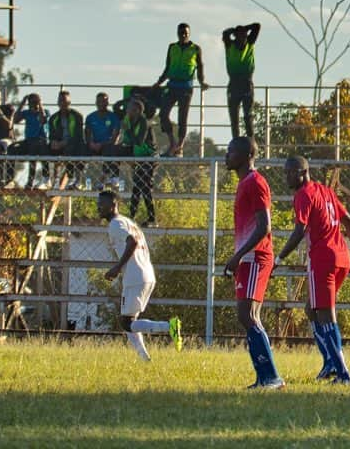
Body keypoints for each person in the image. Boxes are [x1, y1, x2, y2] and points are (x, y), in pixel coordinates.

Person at [277, 155, 350, 385]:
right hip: (341, 257)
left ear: (302, 172)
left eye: (289, 172)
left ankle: (343, 372)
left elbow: (299, 230)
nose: (286, 176)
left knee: (326, 315)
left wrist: (280, 257)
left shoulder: (303, 195)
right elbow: (349, 222)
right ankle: (329, 363)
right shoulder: (325, 191)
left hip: (322, 259)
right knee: (311, 309)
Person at [222, 136, 285, 389]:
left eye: (230, 151)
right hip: (247, 257)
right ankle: (264, 377)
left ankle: (270, 376)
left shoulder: (256, 182)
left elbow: (264, 226)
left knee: (247, 314)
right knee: (249, 315)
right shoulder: (244, 183)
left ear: (247, 154)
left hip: (256, 257)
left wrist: (239, 255)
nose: (226, 155)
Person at [100, 189, 182, 361]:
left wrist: (117, 267)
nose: (98, 207)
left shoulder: (115, 224)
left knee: (127, 323)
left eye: (102, 204)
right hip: (146, 274)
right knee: (129, 322)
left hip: (135, 276)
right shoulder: (128, 222)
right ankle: (145, 359)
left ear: (113, 205)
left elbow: (133, 242)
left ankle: (169, 327)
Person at [154, 22, 209, 156]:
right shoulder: (172, 47)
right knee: (163, 114)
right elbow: (167, 66)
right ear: (177, 33)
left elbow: (200, 67)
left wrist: (202, 82)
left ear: (189, 34)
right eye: (181, 33)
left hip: (186, 87)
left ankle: (179, 146)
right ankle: (173, 142)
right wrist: (159, 82)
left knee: (182, 118)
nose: (183, 35)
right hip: (172, 85)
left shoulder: (195, 48)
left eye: (185, 33)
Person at [106, 98, 157, 225]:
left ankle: (150, 218)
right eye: (128, 109)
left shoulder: (144, 122)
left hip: (147, 156)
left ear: (138, 111)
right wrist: (128, 99)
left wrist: (127, 130)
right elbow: (116, 107)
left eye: (131, 109)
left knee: (142, 187)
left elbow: (139, 141)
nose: (128, 111)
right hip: (135, 153)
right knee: (114, 150)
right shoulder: (128, 119)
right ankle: (114, 177)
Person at [223, 23, 260, 139]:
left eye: (244, 36)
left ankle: (251, 142)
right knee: (234, 117)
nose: (242, 40)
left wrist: (244, 29)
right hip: (233, 83)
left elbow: (257, 26)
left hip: (247, 83)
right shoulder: (230, 45)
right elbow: (225, 33)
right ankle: (236, 141)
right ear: (235, 37)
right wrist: (235, 30)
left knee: (247, 116)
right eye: (239, 37)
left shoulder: (250, 43)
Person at [8, 93, 50, 190]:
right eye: (32, 102)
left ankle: (31, 181)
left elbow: (43, 120)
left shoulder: (45, 112)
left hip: (40, 141)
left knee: (33, 149)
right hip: (28, 141)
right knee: (12, 148)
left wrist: (40, 104)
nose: (35, 105)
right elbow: (15, 119)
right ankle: (10, 179)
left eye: (36, 102)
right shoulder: (27, 113)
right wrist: (22, 103)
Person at [48, 90, 87, 189]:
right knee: (45, 148)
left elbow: (78, 135)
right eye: (60, 101)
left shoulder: (77, 116)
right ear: (57, 102)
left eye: (65, 101)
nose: (63, 103)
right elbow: (52, 135)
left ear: (69, 102)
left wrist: (64, 143)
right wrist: (53, 142)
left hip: (74, 143)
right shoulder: (53, 118)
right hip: (60, 144)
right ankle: (51, 180)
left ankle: (74, 178)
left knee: (73, 148)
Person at [86, 92, 122, 184]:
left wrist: (101, 144)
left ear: (107, 103)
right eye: (99, 101)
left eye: (104, 101)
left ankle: (112, 177)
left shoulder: (113, 117)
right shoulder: (90, 117)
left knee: (111, 149)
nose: (101, 103)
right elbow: (87, 134)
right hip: (94, 146)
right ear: (96, 103)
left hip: (107, 145)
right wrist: (91, 143)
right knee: (80, 148)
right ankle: (76, 179)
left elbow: (115, 138)